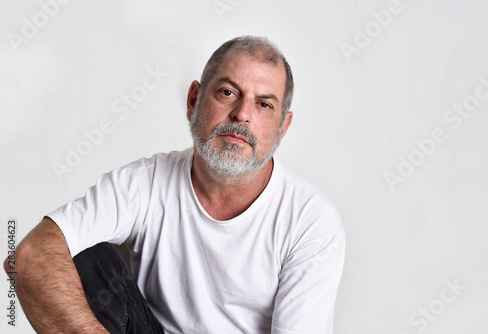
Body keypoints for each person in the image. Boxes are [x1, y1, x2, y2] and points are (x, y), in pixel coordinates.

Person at [5, 35, 346, 334]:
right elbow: (29, 256)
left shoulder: (310, 223)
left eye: (263, 104)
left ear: (282, 129)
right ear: (193, 100)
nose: (242, 114)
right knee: (85, 256)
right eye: (228, 92)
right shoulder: (145, 182)